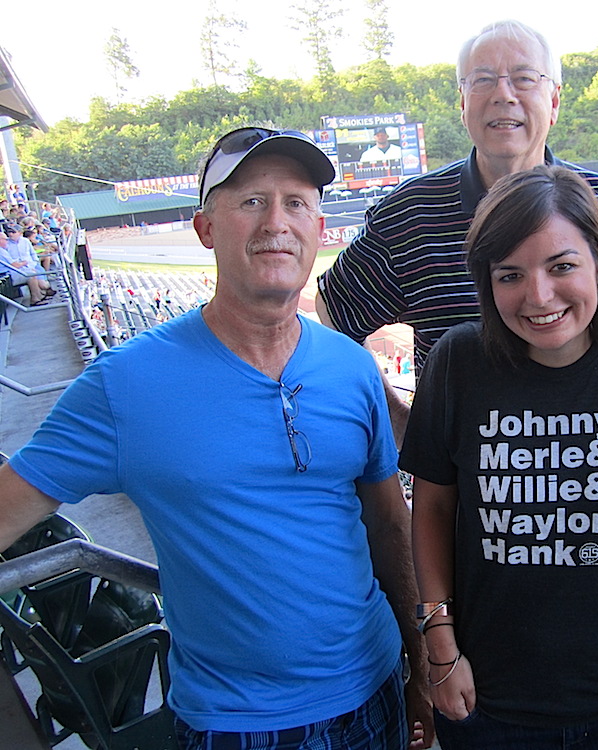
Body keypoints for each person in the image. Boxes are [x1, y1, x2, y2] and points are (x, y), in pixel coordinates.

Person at [0, 126, 433, 750]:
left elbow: (389, 526)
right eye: (251, 201)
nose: (277, 222)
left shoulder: (351, 367)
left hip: (376, 689)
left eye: (297, 203)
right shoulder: (126, 384)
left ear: (318, 227)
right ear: (206, 228)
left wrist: (419, 666)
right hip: (234, 724)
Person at [401, 165, 598, 748]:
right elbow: (435, 507)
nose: (539, 296)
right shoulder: (458, 362)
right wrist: (438, 639)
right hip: (488, 699)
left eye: (561, 266)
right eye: (510, 274)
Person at [316, 19, 598, 443]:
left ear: (553, 101)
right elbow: (333, 317)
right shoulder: (410, 215)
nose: (504, 94)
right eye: (483, 80)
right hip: (464, 492)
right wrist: (401, 421)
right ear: (462, 101)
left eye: (524, 78)